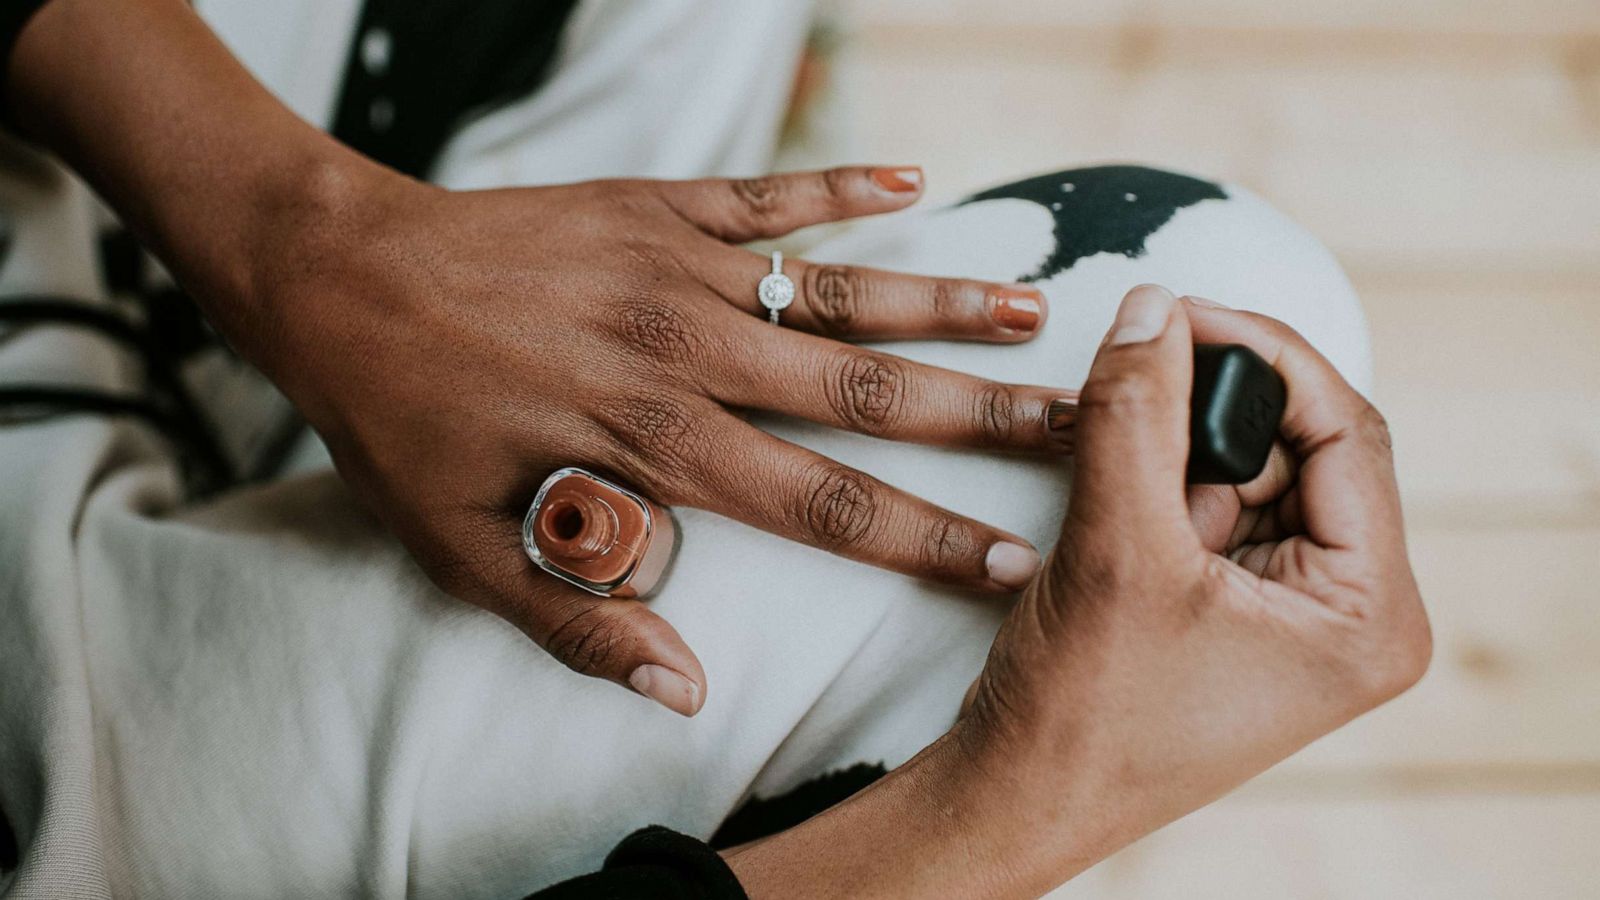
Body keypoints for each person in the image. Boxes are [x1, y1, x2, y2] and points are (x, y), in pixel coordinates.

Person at [0, 1, 1428, 896]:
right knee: (1221, 294)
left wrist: (308, 244)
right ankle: (389, 375)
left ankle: (390, 386)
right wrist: (1011, 811)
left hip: (55, 784)